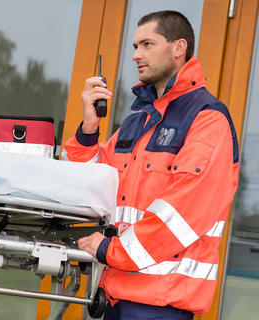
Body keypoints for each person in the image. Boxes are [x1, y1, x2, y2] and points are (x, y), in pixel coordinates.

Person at [64, 11, 239, 320]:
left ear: (178, 48)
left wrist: (108, 250)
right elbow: (87, 183)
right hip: (115, 297)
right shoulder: (137, 122)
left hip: (161, 306)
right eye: (135, 45)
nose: (135, 55)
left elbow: (181, 216)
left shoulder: (207, 119)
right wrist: (89, 130)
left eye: (146, 44)